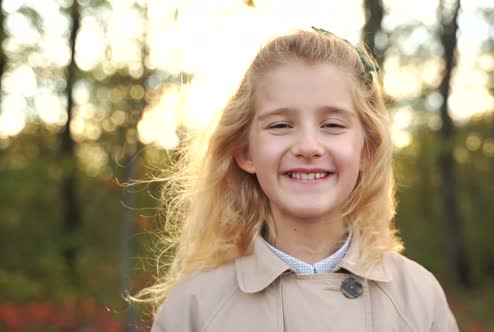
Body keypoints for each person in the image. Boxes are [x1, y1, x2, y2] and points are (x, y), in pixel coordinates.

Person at [137, 28, 459, 331]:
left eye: (332, 125)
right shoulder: (195, 307)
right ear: (245, 152)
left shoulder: (418, 299)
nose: (308, 147)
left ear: (367, 150)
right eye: (280, 125)